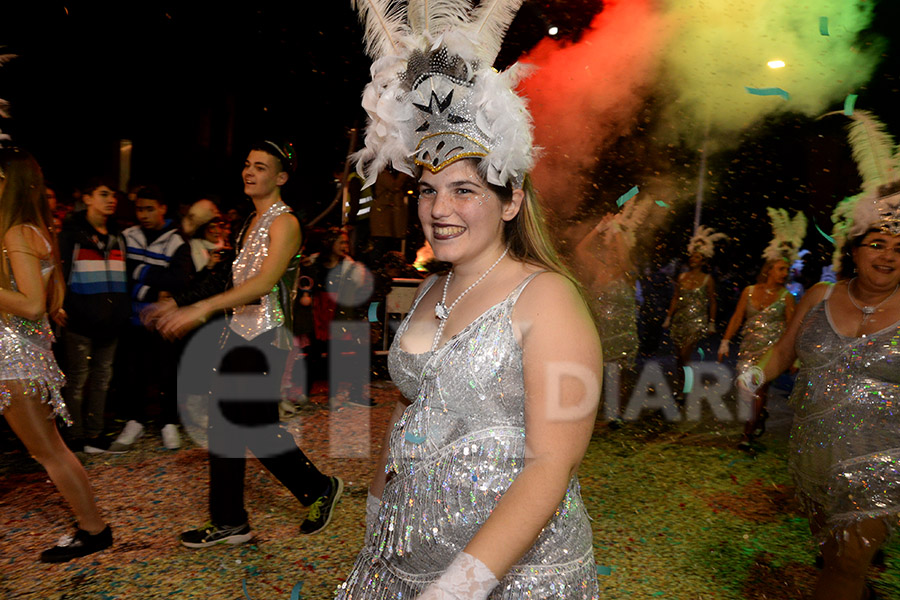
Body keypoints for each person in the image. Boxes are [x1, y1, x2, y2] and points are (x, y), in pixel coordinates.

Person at [336, 2, 601, 598]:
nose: (438, 209)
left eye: (464, 189)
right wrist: (377, 519)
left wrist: (463, 584)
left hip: (516, 577)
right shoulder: (434, 287)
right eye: (429, 190)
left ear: (510, 202)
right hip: (403, 560)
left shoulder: (549, 299)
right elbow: (410, 415)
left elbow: (549, 464)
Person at [147, 140, 342, 545]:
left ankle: (315, 490)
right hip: (238, 333)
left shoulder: (284, 223)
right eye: (247, 165)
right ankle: (234, 519)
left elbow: (263, 284)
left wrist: (200, 311)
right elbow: (225, 277)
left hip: (267, 337)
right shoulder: (247, 224)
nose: (249, 172)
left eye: (261, 167)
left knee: (246, 427)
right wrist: (177, 301)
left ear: (281, 177)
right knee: (232, 427)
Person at [740, 113, 900, 600]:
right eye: (877, 243)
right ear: (854, 247)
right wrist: (749, 375)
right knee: (834, 559)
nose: (889, 255)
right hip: (812, 458)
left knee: (847, 563)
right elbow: (783, 353)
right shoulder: (818, 297)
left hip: (883, 462)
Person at [0, 147, 112, 562]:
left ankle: (94, 528)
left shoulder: (16, 233)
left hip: (13, 359)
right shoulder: (31, 230)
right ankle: (93, 527)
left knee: (48, 451)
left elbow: (30, 305)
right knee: (51, 449)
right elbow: (47, 305)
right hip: (22, 353)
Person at [110, 186, 193, 451]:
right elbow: (121, 273)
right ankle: (135, 420)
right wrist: (154, 289)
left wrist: (140, 273)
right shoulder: (126, 236)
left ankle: (169, 422)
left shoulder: (176, 241)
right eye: (139, 209)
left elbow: (179, 281)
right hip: (132, 319)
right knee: (132, 372)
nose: (143, 214)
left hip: (163, 321)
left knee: (168, 371)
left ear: (162, 208)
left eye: (149, 209)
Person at [718, 208, 803, 450]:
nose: (785, 274)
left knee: (758, 391)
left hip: (771, 351)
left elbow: (792, 326)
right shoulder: (749, 291)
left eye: (787, 270)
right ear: (768, 269)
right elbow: (736, 317)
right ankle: (757, 417)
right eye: (781, 269)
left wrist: (793, 357)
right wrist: (725, 341)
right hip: (748, 348)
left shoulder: (787, 296)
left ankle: (746, 434)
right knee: (746, 390)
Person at [56, 177, 130, 452]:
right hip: (80, 316)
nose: (111, 200)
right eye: (103, 194)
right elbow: (60, 273)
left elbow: (123, 276)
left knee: (102, 379)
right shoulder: (72, 234)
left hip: (110, 319)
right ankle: (74, 435)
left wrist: (122, 310)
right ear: (87, 198)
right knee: (77, 378)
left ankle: (95, 434)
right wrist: (60, 305)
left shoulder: (117, 235)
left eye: (113, 195)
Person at [307, 227, 375, 408]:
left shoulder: (351, 267)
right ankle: (304, 394)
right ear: (329, 244)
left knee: (335, 356)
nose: (345, 246)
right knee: (313, 355)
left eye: (346, 242)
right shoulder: (315, 264)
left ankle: (333, 396)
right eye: (341, 242)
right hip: (317, 314)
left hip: (338, 314)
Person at [663, 225, 724, 376]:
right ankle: (682, 384)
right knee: (679, 357)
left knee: (685, 354)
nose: (693, 259)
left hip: (696, 321)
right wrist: (668, 317)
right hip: (680, 320)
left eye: (697, 257)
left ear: (703, 261)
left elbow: (713, 301)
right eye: (692, 256)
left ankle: (685, 386)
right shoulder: (682, 277)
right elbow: (676, 298)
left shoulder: (708, 280)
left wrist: (711, 323)